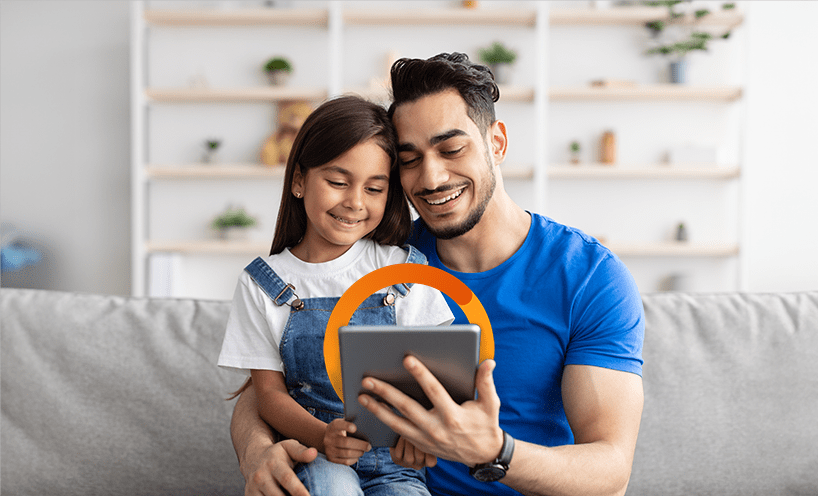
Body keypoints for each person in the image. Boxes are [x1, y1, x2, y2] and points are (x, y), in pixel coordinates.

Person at [230, 53, 645, 496]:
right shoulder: (381, 261)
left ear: (497, 143)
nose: (431, 177)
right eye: (409, 159)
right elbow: (265, 387)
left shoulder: (588, 278)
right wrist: (258, 453)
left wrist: (495, 451)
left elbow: (611, 467)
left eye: (452, 149)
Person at [218, 95, 454, 496]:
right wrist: (324, 436)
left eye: (375, 188)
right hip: (317, 453)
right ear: (298, 180)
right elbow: (269, 397)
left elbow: (440, 373)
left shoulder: (404, 270)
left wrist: (423, 431)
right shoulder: (262, 282)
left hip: (396, 465)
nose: (355, 202)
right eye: (338, 182)